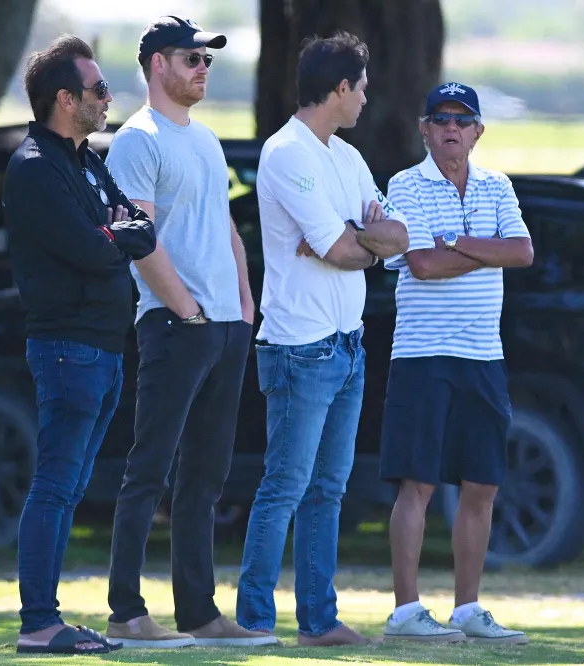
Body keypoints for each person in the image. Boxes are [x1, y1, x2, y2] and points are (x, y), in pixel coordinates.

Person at [101, 16, 277, 649]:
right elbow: (139, 241)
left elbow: (226, 228)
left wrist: (243, 306)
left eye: (208, 59)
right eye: (191, 58)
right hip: (176, 327)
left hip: (225, 327)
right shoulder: (136, 140)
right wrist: (189, 312)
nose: (203, 68)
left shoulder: (203, 139)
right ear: (156, 65)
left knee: (205, 478)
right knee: (148, 471)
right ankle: (126, 611)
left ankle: (199, 614)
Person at [234, 31, 409, 647]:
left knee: (328, 490)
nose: (366, 99)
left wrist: (351, 239)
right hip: (299, 347)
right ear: (339, 88)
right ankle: (254, 621)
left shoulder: (348, 156)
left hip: (348, 344)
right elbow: (344, 244)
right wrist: (355, 240)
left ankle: (317, 620)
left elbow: (397, 236)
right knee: (284, 485)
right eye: (361, 88)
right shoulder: (288, 153)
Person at [2, 35, 156, 656]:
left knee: (68, 488)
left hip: (103, 350)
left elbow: (139, 229)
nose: (106, 98)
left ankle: (47, 618)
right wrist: (114, 234)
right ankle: (39, 622)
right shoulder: (36, 167)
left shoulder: (87, 161)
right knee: (56, 486)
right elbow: (95, 249)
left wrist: (115, 231)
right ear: (65, 99)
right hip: (68, 351)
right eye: (97, 90)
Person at [378, 81, 533, 644]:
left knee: (481, 484)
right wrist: (483, 247)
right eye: (440, 119)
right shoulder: (405, 184)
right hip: (422, 354)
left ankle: (468, 608)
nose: (451, 128)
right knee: (417, 483)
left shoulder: (497, 185)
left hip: (482, 356)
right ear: (424, 128)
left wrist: (458, 242)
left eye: (462, 120)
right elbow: (420, 264)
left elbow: (521, 252)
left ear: (477, 131)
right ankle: (406, 611)